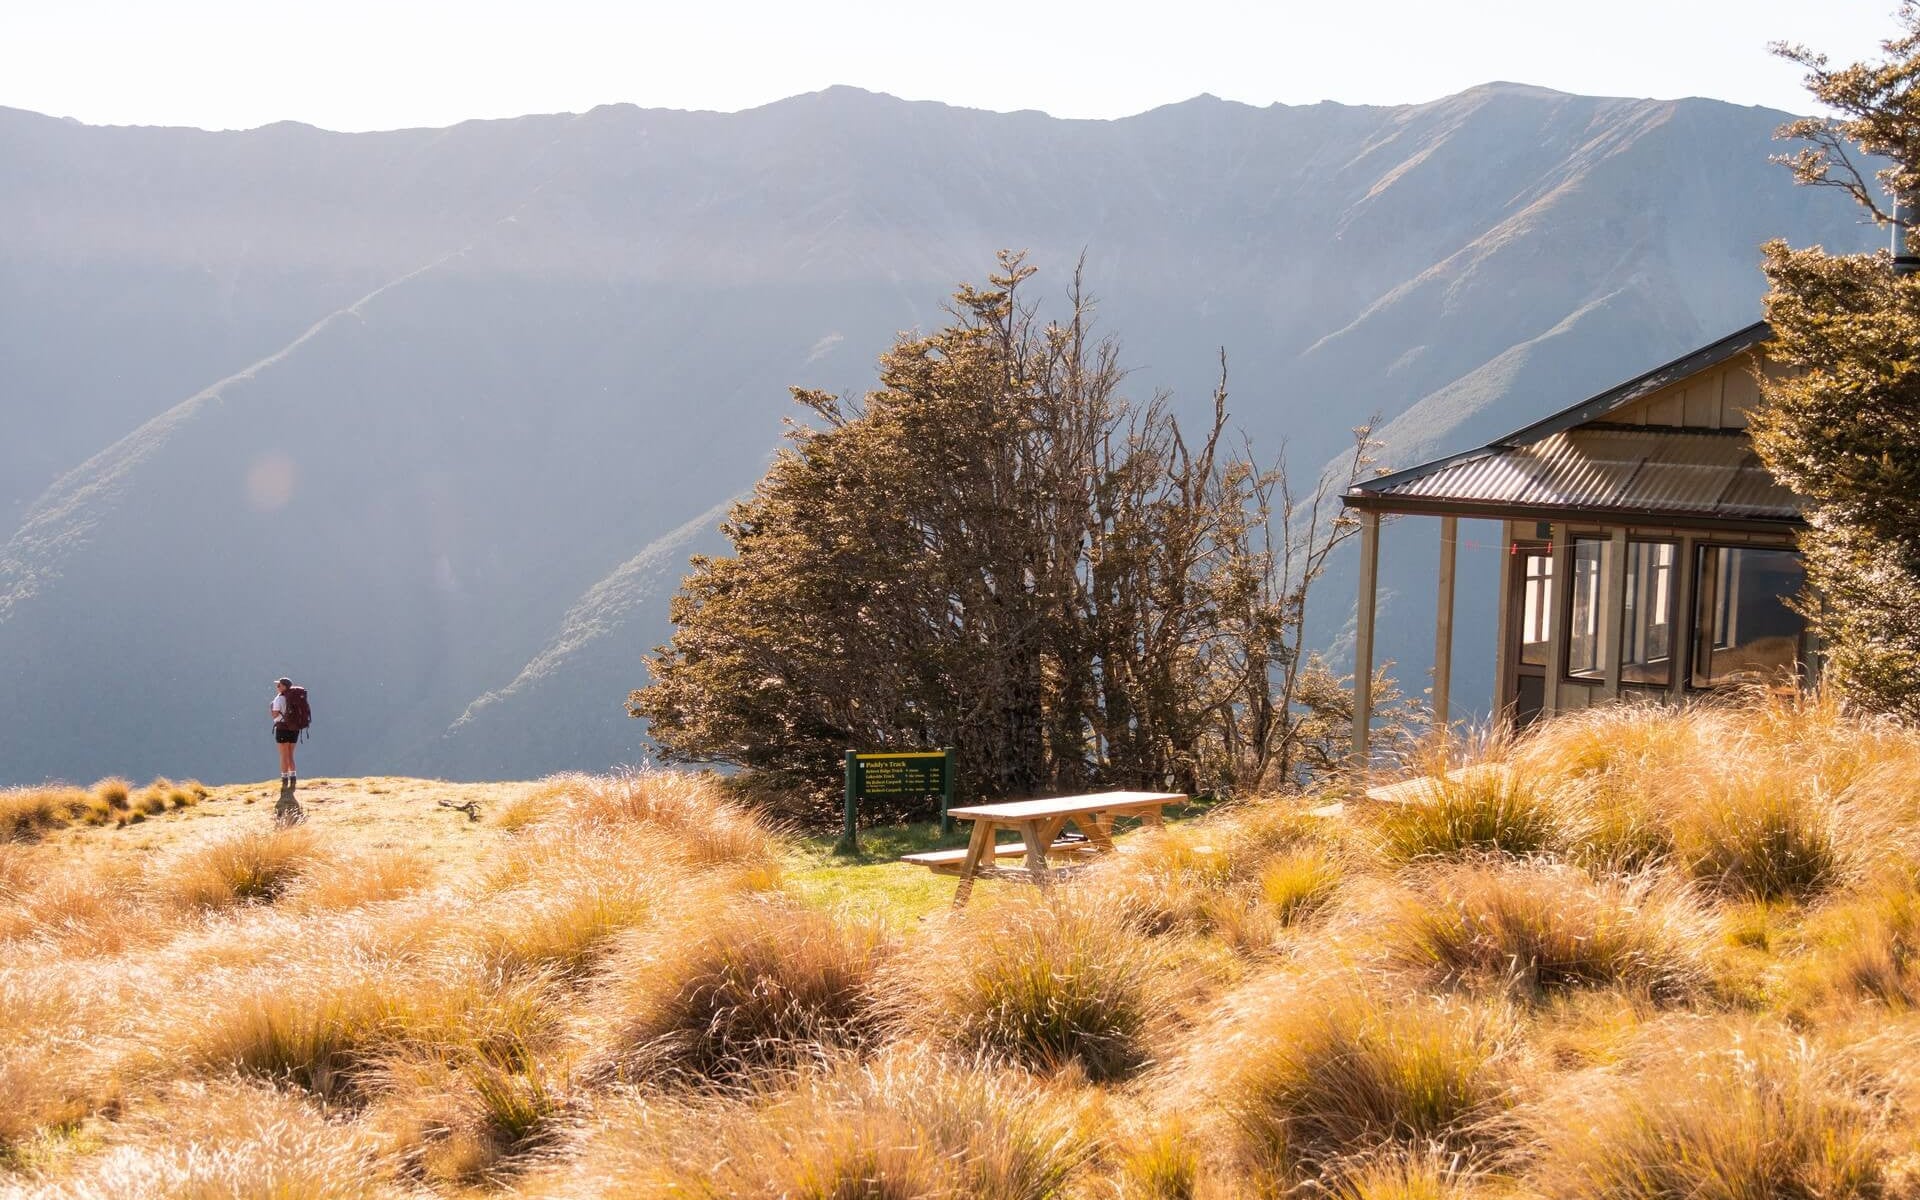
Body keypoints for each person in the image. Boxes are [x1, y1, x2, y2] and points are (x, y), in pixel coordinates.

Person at [270, 676, 298, 788]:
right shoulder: (295, 698)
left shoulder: (279, 699)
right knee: (291, 754)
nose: (277, 687)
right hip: (294, 729)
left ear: (284, 687)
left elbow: (275, 714)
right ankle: (293, 777)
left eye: (279, 685)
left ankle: (284, 779)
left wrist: (271, 708)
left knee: (283, 755)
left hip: (282, 728)